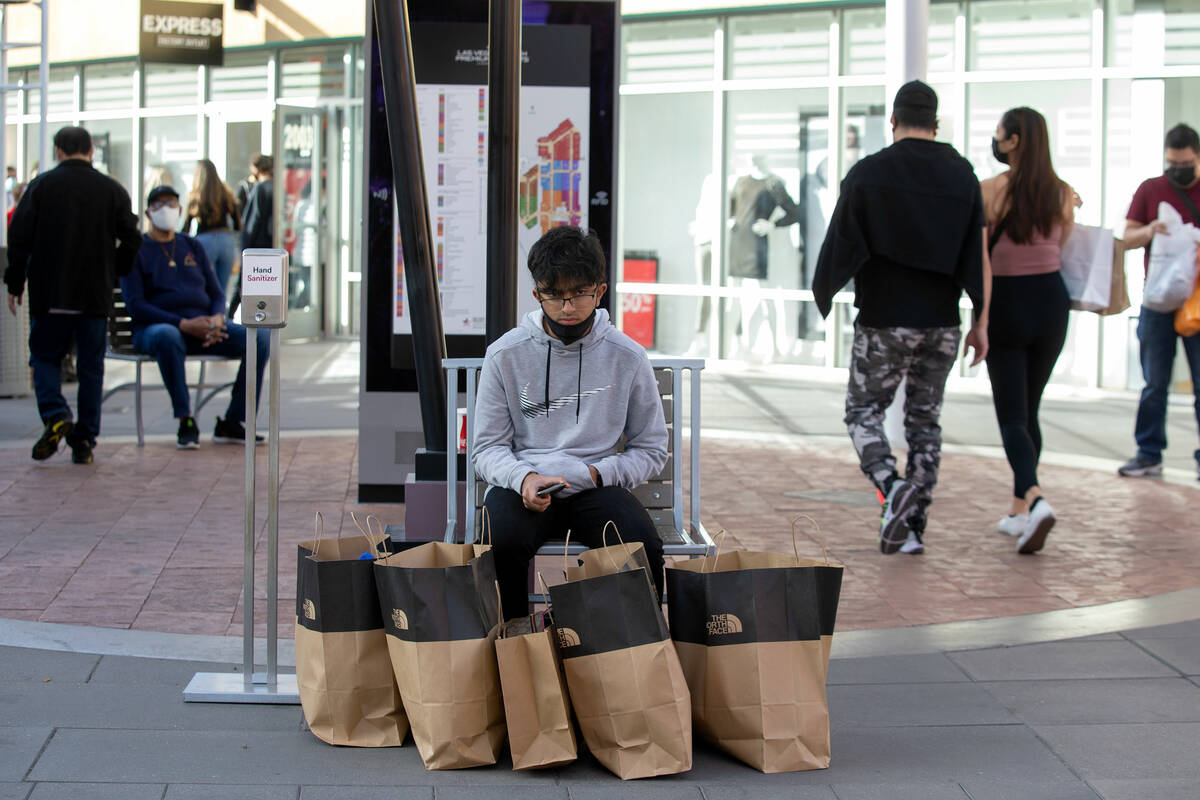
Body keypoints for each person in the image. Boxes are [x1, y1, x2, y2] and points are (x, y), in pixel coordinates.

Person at [813, 81, 989, 556]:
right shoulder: (962, 174)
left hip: (885, 320)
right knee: (924, 422)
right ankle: (912, 529)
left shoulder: (870, 173)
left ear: (893, 121)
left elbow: (840, 242)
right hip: (942, 323)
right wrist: (982, 320)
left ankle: (892, 489)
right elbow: (978, 254)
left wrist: (825, 291)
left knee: (862, 411)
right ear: (935, 122)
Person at [473, 225, 669, 622]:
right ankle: (510, 648)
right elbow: (487, 448)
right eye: (554, 294)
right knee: (499, 542)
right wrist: (523, 478)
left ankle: (631, 655)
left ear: (599, 291)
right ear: (537, 294)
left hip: (595, 483)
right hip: (525, 484)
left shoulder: (627, 356)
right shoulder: (504, 355)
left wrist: (598, 473)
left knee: (642, 545)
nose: (567, 306)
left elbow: (651, 448)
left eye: (578, 292)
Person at [4, 126, 141, 464]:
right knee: (91, 368)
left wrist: (15, 283)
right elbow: (133, 237)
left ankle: (55, 413)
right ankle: (84, 442)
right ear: (91, 150)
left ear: (58, 150)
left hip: (50, 293)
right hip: (94, 296)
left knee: (45, 358)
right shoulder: (111, 190)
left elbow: (18, 237)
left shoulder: (41, 186)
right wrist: (115, 270)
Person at [981, 107, 1076, 554]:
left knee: (1012, 416)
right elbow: (1065, 244)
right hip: (1052, 304)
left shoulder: (991, 191)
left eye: (1000, 133)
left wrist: (979, 318)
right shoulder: (1062, 194)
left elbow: (979, 256)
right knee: (1030, 409)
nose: (995, 139)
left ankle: (1035, 499)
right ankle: (1019, 511)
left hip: (1009, 303)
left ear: (1014, 140)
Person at [122, 185, 269, 449]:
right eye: (158, 205)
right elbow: (137, 306)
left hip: (204, 329)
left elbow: (215, 291)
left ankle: (233, 421)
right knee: (167, 336)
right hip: (157, 330)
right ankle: (185, 420)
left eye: (172, 204)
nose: (166, 210)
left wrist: (216, 317)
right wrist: (183, 324)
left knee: (259, 337)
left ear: (180, 210)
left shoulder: (192, 246)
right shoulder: (137, 250)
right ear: (147, 211)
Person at [1117, 123, 1200, 481]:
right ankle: (1148, 453)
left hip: (1196, 303)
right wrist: (1150, 230)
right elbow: (1127, 235)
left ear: (1197, 158)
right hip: (1157, 302)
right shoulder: (1151, 189)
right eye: (1171, 162)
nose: (1177, 168)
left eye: (1184, 162)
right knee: (1154, 383)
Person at [185, 159, 242, 301]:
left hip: (204, 242)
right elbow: (238, 224)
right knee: (222, 290)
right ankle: (220, 319)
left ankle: (208, 319)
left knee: (206, 286)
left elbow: (185, 228)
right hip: (225, 240)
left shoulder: (195, 195)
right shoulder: (225, 193)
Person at [233, 154, 274, 317]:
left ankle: (230, 316)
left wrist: (245, 245)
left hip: (257, 246)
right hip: (271, 245)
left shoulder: (260, 188)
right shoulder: (277, 188)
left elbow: (252, 221)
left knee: (245, 283)